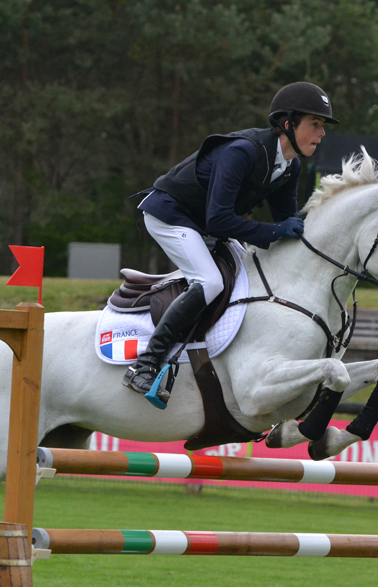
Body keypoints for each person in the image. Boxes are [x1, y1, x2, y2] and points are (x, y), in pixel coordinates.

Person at [123, 81, 339, 408]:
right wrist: (277, 230)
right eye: (315, 124)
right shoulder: (243, 152)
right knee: (209, 281)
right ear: (287, 123)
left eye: (322, 126)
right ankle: (145, 363)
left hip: (205, 223)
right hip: (170, 213)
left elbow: (286, 223)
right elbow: (220, 220)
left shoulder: (290, 165)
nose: (322, 134)